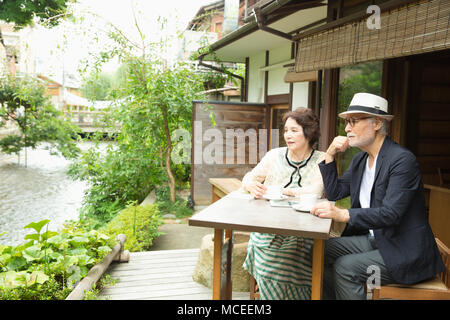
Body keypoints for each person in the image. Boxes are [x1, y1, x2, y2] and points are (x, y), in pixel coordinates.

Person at [310, 93, 445, 300]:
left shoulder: (402, 160)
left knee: (345, 268)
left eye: (354, 121)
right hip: (375, 240)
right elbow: (336, 192)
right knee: (318, 251)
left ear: (377, 123)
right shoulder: (361, 160)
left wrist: (343, 214)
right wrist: (329, 155)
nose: (347, 128)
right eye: (347, 122)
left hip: (404, 250)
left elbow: (391, 214)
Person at [242, 107, 325, 300]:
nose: (288, 135)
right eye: (286, 130)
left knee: (289, 261)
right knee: (271, 259)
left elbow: (317, 190)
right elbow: (249, 177)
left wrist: (286, 192)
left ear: (309, 132)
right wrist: (250, 184)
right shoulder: (274, 155)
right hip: (268, 229)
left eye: (294, 130)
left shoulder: (320, 159)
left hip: (303, 233)